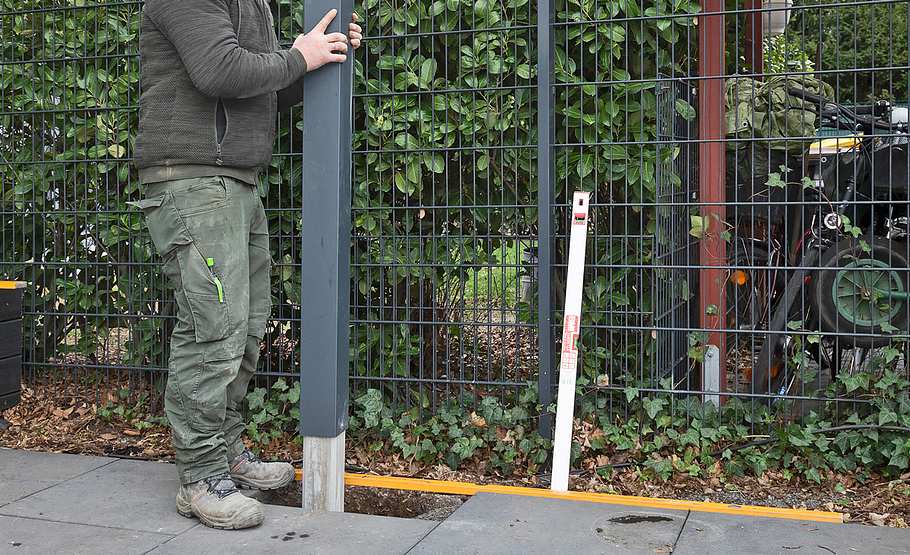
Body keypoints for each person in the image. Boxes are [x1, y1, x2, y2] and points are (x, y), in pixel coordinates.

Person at [131, 0, 361, 530]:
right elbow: (219, 70)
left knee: (246, 327)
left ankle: (226, 450)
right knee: (214, 328)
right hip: (192, 181)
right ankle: (201, 475)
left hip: (234, 180)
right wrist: (297, 56)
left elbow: (265, 87)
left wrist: (319, 54)